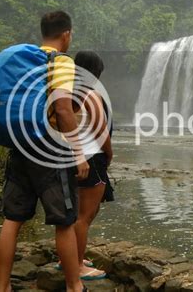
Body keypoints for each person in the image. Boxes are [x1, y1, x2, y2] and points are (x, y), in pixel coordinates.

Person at [0, 11, 89, 292]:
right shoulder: (61, 62)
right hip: (49, 149)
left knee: (12, 219)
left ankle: (2, 287)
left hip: (20, 144)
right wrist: (79, 152)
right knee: (64, 220)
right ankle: (75, 286)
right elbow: (62, 108)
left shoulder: (26, 62)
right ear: (66, 34)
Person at [71, 51, 114, 280]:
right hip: (92, 159)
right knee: (84, 216)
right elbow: (100, 130)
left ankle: (69, 257)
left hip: (73, 158)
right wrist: (109, 152)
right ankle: (77, 266)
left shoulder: (67, 93)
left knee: (79, 213)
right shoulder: (90, 94)